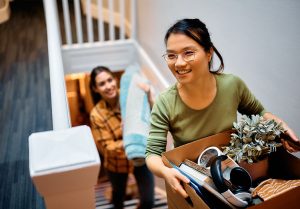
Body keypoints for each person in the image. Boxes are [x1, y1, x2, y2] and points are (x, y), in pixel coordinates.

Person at [145, 18, 299, 199]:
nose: (178, 63)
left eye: (188, 53)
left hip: (233, 174)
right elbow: (152, 154)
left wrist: (281, 126)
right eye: (171, 55)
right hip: (196, 184)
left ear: (208, 52)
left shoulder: (232, 85)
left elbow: (259, 112)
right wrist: (166, 172)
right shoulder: (165, 102)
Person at [89, 66, 154, 209]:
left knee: (148, 200)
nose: (108, 86)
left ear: (115, 79)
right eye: (102, 84)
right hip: (116, 164)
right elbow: (107, 147)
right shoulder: (96, 114)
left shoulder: (129, 95)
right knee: (118, 197)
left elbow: (150, 114)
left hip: (141, 156)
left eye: (109, 80)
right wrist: (129, 135)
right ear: (95, 89)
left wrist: (149, 96)